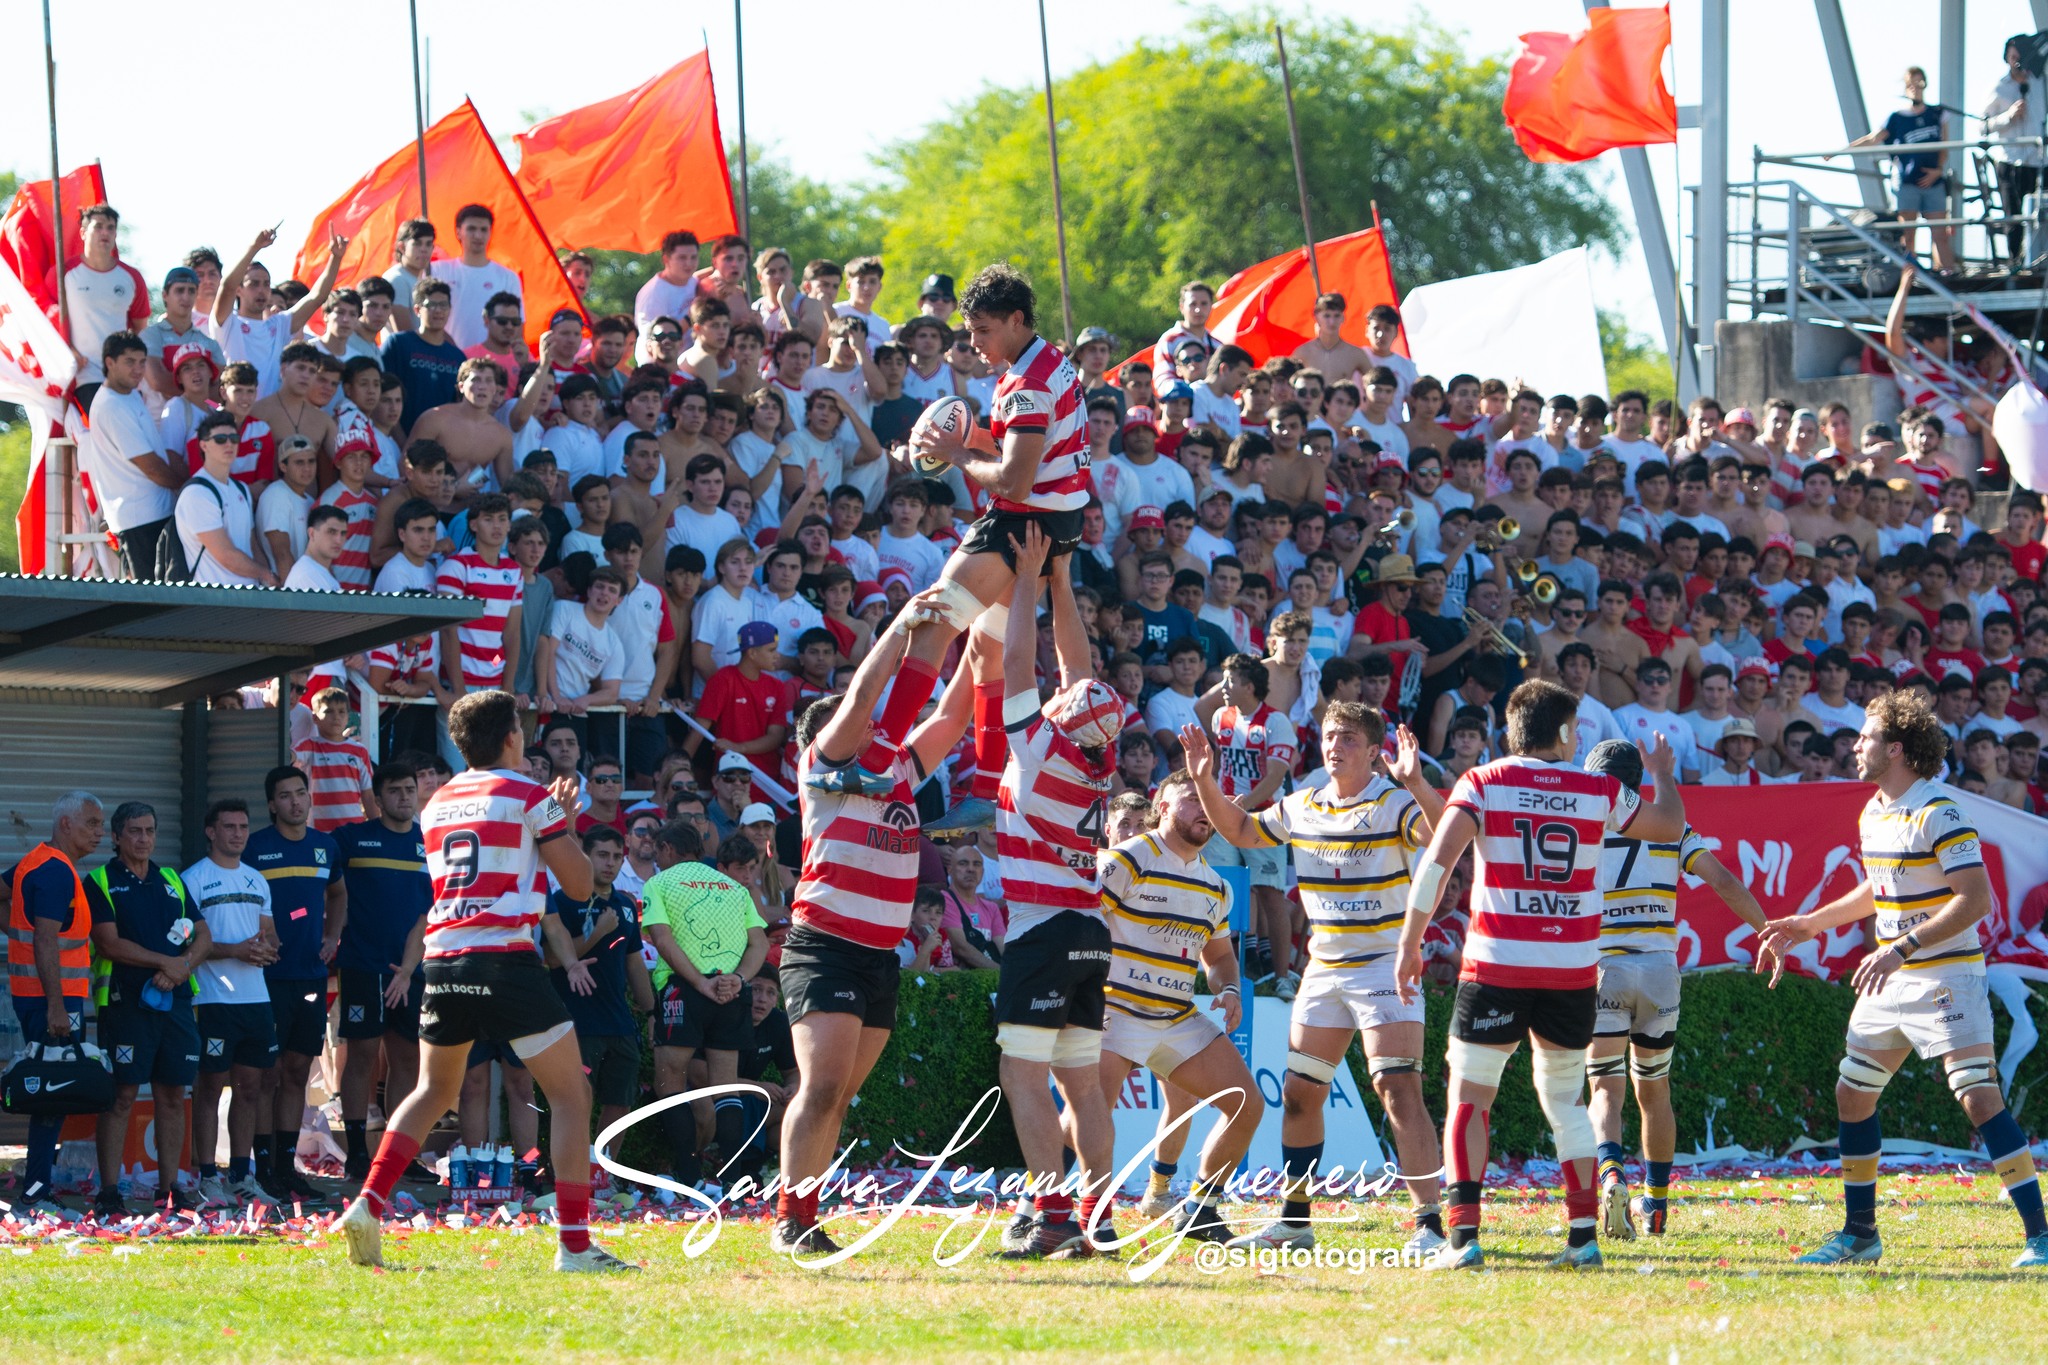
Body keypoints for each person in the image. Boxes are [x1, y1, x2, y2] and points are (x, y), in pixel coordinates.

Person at [337, 689, 633, 1273]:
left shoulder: (437, 801)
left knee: (431, 1092)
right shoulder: (530, 795)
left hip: (444, 960)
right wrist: (564, 820)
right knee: (571, 1095)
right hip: (506, 960)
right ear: (512, 737)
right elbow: (578, 887)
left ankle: (368, 1203)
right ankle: (574, 1245)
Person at [1395, 681, 1686, 1271]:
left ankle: (1463, 1240)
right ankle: (1582, 1240)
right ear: (1561, 733)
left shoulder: (1484, 781)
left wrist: (1409, 943)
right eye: (1576, 731)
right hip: (1573, 972)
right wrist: (1660, 771)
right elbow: (1668, 824)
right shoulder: (1597, 787)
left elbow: (1437, 864)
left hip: (1498, 964)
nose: (1580, 740)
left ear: (1510, 731)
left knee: (1470, 1099)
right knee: (1564, 1100)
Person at [1758, 692, 2048, 1269]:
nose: (1854, 745)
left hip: (1943, 973)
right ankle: (1860, 1235)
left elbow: (1976, 900)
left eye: (1865, 737)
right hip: (1892, 976)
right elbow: (1878, 888)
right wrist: (1808, 924)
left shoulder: (1939, 810)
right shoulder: (1874, 809)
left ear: (1895, 748)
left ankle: (2041, 1237)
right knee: (1851, 1092)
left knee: (1978, 1097)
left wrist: (1901, 949)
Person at [827, 266, 1088, 836]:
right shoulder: (1047, 360)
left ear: (1017, 321)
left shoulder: (1025, 383)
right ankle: (986, 789)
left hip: (1022, 522)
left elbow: (1015, 481)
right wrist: (973, 441)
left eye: (983, 330)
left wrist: (958, 451)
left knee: (931, 623)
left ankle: (876, 762)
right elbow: (1029, 448)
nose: (973, 344)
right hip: (1055, 522)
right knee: (982, 656)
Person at [1185, 710, 1448, 1257]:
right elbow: (1238, 829)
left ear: (1375, 751)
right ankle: (1295, 1221)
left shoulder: (1393, 800)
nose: (1335, 746)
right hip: (1325, 969)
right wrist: (1205, 779)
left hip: (1384, 962)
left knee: (1397, 1089)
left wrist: (1417, 782)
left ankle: (1430, 1224)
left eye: (1349, 739)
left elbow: (1447, 836)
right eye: (1329, 736)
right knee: (1301, 1097)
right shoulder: (1302, 803)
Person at [772, 584, 970, 1252]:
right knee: (822, 1087)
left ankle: (804, 1210)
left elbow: (951, 712)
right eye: (860, 728)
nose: (874, 730)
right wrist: (900, 628)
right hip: (824, 945)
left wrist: (985, 633)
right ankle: (791, 1219)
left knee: (837, 1097)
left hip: (880, 954)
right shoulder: (823, 766)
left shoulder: (899, 771)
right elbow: (860, 700)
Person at [990, 523, 1122, 1258]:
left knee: (1022, 1074)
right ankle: (1099, 1217)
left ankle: (1052, 1212)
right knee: (1084, 1087)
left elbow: (1018, 659)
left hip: (1041, 931)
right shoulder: (1093, 759)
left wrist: (1023, 580)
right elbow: (1079, 668)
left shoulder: (1039, 748)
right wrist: (1061, 581)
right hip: (1088, 930)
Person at [1580, 740, 1767, 1241]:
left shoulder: (1583, 825)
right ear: (1638, 781)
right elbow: (1724, 881)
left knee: (1604, 1088)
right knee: (1654, 1090)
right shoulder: (1671, 828)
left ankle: (1611, 1174)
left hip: (1604, 967)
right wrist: (1767, 930)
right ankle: (1656, 1205)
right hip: (1660, 969)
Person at [1093, 770, 1258, 1244]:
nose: (1204, 808)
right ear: (1161, 808)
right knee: (1086, 1118)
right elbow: (1083, 924)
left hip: (1175, 1014)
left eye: (1209, 798)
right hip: (1114, 1008)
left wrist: (1228, 989)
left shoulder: (1216, 886)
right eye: (1191, 799)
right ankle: (1050, 1201)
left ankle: (1198, 1208)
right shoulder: (1128, 858)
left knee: (1245, 1104)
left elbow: (1221, 958)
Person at [85, 800, 209, 1216]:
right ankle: (108, 1190)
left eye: (150, 831)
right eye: (134, 831)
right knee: (121, 1095)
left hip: (174, 1002)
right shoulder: (100, 880)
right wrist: (164, 962)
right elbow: (108, 943)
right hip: (125, 1003)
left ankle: (170, 1187)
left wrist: (182, 968)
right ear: (117, 836)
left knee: (174, 1093)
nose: (144, 839)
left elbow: (203, 933)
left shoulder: (170, 878)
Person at [641, 819, 768, 1196]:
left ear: (666, 850)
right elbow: (759, 944)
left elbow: (662, 940)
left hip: (686, 989)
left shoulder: (658, 883)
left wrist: (699, 983)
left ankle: (688, 1176)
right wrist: (739, 980)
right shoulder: (734, 887)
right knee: (726, 1087)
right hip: (731, 993)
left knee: (671, 1082)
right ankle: (733, 1180)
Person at [242, 767, 346, 1202]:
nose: (295, 802)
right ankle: (261, 1167)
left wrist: (331, 936)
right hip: (263, 980)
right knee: (264, 1075)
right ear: (272, 805)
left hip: (309, 976)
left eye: (301, 794)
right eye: (285, 796)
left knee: (297, 1074)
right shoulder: (254, 846)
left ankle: (287, 1167)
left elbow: (338, 894)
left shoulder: (325, 847)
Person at [4, 792, 105, 1207]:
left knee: (51, 1092)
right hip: (52, 1001)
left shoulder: (36, 861)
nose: (100, 832)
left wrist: (15, 934)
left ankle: (37, 1190)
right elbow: (45, 939)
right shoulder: (56, 873)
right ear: (66, 824)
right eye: (92, 823)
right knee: (51, 1095)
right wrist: (56, 1006)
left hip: (41, 996)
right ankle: (35, 1195)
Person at [332, 761, 430, 1180]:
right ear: (376, 797)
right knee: (363, 1058)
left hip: (413, 968)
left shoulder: (431, 841)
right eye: (395, 790)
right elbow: (323, 890)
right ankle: (356, 1152)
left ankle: (399, 1155)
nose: (405, 797)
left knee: (408, 1059)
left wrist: (410, 968)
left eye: (410, 788)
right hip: (362, 964)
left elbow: (432, 910)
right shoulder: (350, 839)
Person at [186, 798, 282, 1206]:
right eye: (229, 827)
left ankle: (242, 1174)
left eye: (243, 826)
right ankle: (207, 1175)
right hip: (211, 999)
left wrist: (267, 950)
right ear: (211, 832)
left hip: (255, 999)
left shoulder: (257, 880)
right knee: (209, 1087)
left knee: (251, 1087)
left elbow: (270, 936)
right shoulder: (191, 879)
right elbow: (192, 945)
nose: (238, 834)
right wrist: (236, 951)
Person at [1192, 655, 1299, 996]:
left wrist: (1243, 806)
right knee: (1215, 889)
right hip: (1226, 815)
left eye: (1230, 681)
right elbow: (1202, 708)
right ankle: (1209, 972)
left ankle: (1282, 977)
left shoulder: (1276, 722)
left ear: (1249, 687)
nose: (1223, 688)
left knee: (1270, 895)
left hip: (1263, 818)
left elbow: (1275, 777)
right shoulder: (1221, 716)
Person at [550, 827, 654, 1169]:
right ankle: (573, 1170)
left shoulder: (625, 904)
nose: (610, 863)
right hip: (578, 1021)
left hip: (620, 1021)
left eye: (616, 856)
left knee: (620, 1102)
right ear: (585, 857)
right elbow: (551, 961)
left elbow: (634, 960)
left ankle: (602, 1169)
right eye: (602, 855)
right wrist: (597, 933)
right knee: (579, 1100)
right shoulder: (563, 900)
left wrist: (651, 1011)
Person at [83, 332, 184, 578]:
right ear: (110, 363)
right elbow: (151, 467)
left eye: (142, 362)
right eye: (130, 362)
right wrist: (188, 487)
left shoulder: (128, 395)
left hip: (151, 516)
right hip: (140, 521)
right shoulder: (111, 405)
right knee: (153, 603)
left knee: (166, 597)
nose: (138, 369)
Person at [1845, 67, 1953, 270]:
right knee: (1908, 234)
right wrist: (1842, 150)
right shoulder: (1896, 118)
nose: (1915, 88)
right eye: (1910, 84)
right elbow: (1874, 138)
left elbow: (1944, 146)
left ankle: (1947, 273)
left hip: (1933, 181)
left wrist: (1938, 171)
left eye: (1919, 83)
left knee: (1940, 233)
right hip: (1907, 182)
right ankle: (1908, 276)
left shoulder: (1937, 113)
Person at [176, 410, 274, 587]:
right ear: (204, 445)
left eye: (234, 439)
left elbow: (252, 545)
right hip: (214, 601)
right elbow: (225, 555)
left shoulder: (242, 489)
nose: (229, 444)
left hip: (251, 598)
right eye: (220, 439)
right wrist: (264, 573)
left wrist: (267, 585)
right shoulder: (197, 493)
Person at [1985, 35, 2048, 269]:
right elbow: (1983, 125)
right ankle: (2015, 262)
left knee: (2041, 213)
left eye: (2018, 56)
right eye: (2011, 57)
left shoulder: (2040, 83)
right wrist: (2007, 116)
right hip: (2010, 160)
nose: (2015, 61)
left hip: (2038, 160)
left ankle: (2039, 259)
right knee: (2013, 216)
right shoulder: (2000, 88)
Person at [431, 205, 522, 353]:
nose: (478, 236)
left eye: (483, 230)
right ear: (458, 232)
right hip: (446, 358)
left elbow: (517, 328)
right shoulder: (437, 271)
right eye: (471, 229)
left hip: (490, 368)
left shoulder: (508, 277)